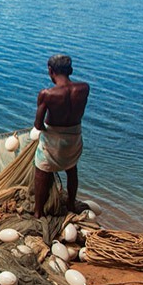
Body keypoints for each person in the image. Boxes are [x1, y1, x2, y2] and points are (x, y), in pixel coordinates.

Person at [33, 54, 89, 218]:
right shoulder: (84, 88)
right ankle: (71, 203)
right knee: (71, 168)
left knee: (41, 170)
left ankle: (38, 212)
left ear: (50, 71)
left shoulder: (47, 94)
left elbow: (38, 124)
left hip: (54, 139)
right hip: (74, 136)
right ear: (70, 70)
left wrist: (46, 130)